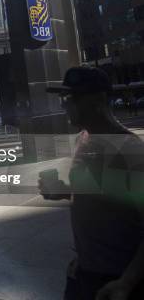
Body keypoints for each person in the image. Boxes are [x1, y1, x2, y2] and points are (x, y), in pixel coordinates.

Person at [41, 67, 144, 300]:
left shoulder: (130, 150)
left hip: (117, 280)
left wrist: (126, 283)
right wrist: (64, 191)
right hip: (84, 272)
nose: (64, 105)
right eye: (62, 98)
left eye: (71, 98)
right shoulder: (84, 139)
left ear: (98, 100)